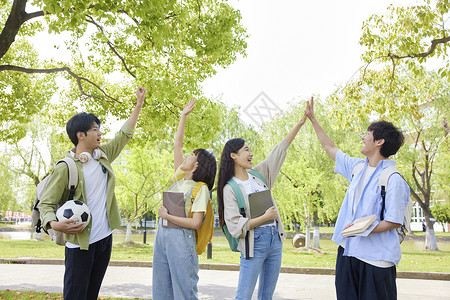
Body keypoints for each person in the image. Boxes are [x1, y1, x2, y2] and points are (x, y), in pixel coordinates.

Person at [38, 87, 147, 300]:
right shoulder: (66, 166)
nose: (100, 133)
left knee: (91, 295)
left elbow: (124, 134)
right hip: (79, 243)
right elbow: (46, 203)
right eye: (95, 129)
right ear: (81, 135)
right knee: (75, 295)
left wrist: (139, 105)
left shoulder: (103, 156)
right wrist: (53, 224)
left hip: (104, 239)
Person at [305, 98, 410, 300]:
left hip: (376, 260)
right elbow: (330, 147)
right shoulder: (358, 167)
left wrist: (362, 228)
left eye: (368, 134)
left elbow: (394, 220)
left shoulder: (393, 179)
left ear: (379, 142)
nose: (363, 137)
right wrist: (313, 119)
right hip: (347, 252)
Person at [217, 111, 307, 300]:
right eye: (246, 150)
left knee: (267, 296)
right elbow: (235, 227)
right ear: (233, 155)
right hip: (254, 243)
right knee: (244, 295)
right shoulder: (230, 188)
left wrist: (299, 124)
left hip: (275, 240)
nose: (251, 154)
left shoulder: (258, 175)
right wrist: (265, 217)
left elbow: (279, 151)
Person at [152, 98, 217, 300]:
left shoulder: (201, 189)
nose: (186, 156)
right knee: (161, 291)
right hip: (162, 238)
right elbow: (177, 145)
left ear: (197, 165)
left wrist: (167, 216)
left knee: (184, 292)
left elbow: (196, 223)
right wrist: (183, 117)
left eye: (191, 156)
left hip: (181, 240)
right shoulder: (179, 178)